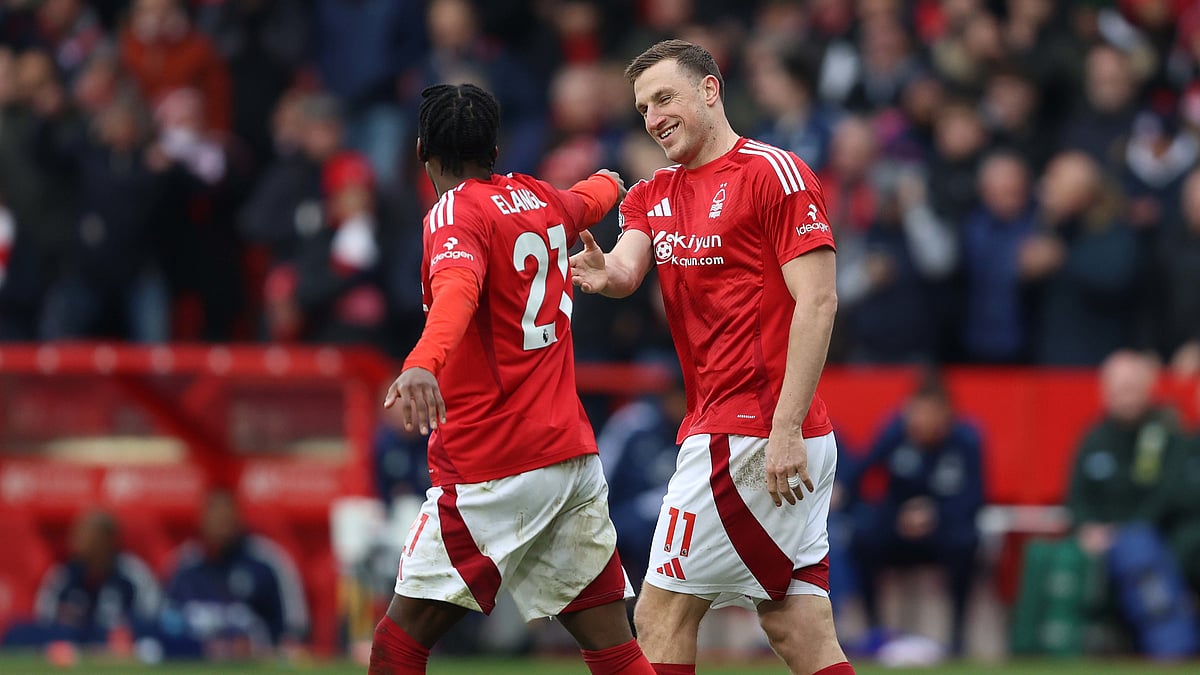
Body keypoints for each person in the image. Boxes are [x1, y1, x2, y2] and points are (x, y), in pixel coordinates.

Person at [570, 40, 854, 675]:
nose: (653, 117)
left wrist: (784, 428)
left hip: (753, 433)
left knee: (661, 615)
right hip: (734, 428)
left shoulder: (773, 174)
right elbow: (626, 268)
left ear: (710, 90)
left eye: (665, 98)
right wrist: (602, 271)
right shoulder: (651, 194)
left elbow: (819, 303)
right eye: (644, 107)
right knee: (796, 626)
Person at [369, 83, 655, 675]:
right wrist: (612, 179)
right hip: (569, 459)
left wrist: (423, 361)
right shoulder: (537, 197)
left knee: (397, 644)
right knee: (612, 648)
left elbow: (455, 290)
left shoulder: (455, 211)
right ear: (495, 147)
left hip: (494, 464)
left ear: (422, 149)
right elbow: (589, 197)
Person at [843, 372, 984, 655]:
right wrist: (893, 514)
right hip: (899, 527)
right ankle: (876, 632)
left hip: (943, 529)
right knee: (863, 537)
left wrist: (935, 514)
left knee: (967, 542)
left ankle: (957, 638)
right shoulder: (896, 434)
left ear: (945, 414)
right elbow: (860, 476)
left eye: (927, 413)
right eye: (914, 411)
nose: (918, 420)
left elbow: (975, 496)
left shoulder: (966, 441)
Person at [158, 490, 308, 658]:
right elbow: (163, 623)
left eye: (226, 517)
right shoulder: (183, 566)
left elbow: (294, 630)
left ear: (239, 518)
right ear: (201, 520)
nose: (220, 523)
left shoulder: (266, 563)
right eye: (214, 516)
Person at [3, 510, 160, 649]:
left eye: (90, 536)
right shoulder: (64, 575)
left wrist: (126, 629)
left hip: (120, 650)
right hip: (73, 647)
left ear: (109, 539)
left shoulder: (132, 574)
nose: (79, 542)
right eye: (78, 535)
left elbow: (152, 617)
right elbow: (44, 618)